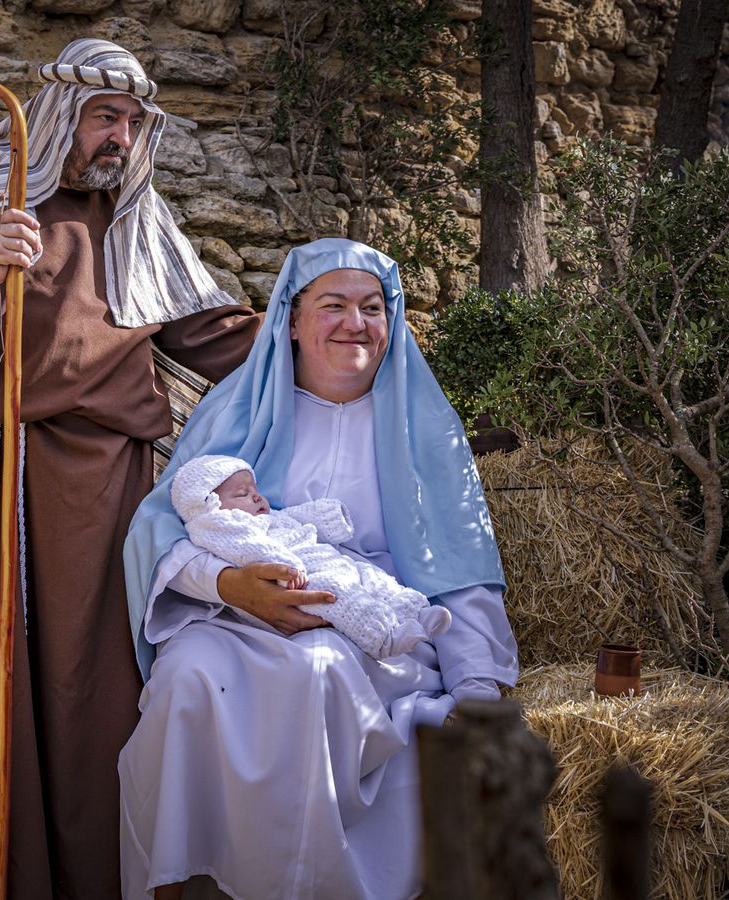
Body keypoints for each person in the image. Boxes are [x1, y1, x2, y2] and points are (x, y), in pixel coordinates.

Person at [0, 38, 261, 899]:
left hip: (113, 491)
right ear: (57, 114)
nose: (121, 137)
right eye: (105, 116)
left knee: (101, 697)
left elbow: (209, 331)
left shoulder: (138, 216)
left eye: (133, 121)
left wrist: (320, 335)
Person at [120, 238, 519, 900]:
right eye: (333, 305)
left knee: (317, 673)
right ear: (291, 321)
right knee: (187, 678)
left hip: (370, 627)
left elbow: (459, 563)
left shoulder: (428, 431)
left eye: (372, 307)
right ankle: (182, 886)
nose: (354, 323)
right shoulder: (237, 410)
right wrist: (231, 585)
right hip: (236, 617)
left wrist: (477, 688)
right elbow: (164, 528)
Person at [169, 454, 452, 660]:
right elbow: (249, 549)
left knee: (373, 576)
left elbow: (299, 517)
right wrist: (288, 568)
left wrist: (331, 517)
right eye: (243, 493)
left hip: (330, 562)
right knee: (338, 597)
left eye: (255, 490)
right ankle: (383, 638)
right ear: (210, 504)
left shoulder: (269, 517)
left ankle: (414, 611)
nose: (256, 497)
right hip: (299, 580)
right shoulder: (219, 525)